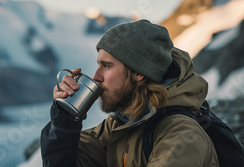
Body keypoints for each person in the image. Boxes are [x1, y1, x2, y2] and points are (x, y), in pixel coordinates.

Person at [40, 20, 219, 167]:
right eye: (98, 65)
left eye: (107, 66)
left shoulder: (181, 134)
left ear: (139, 72)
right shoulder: (121, 125)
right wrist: (64, 122)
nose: (96, 77)